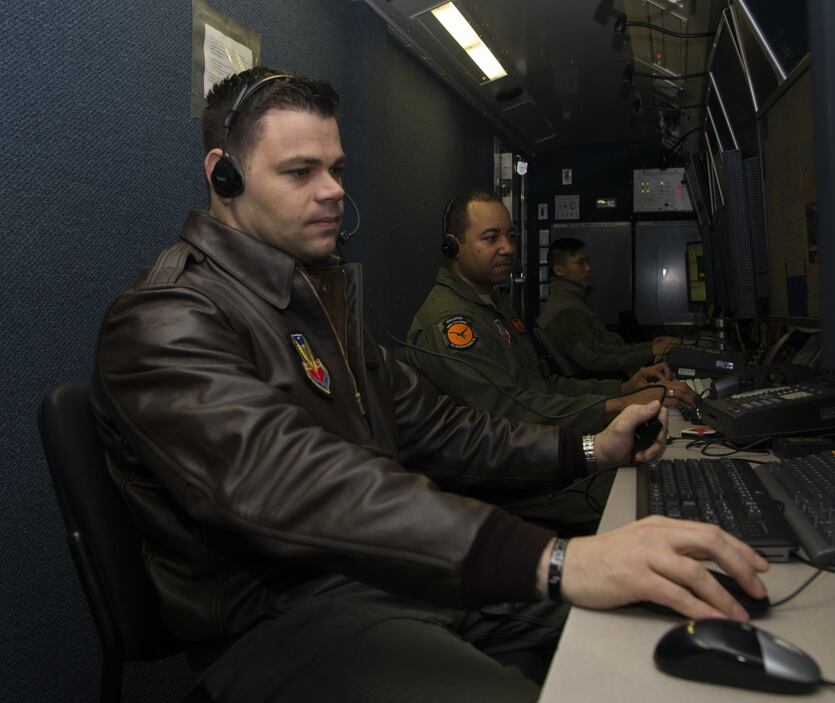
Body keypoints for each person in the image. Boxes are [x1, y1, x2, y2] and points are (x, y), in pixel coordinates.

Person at [90, 67, 768, 703]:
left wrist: (591, 448)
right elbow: (291, 484)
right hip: (281, 618)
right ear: (225, 175)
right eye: (300, 171)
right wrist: (557, 560)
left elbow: (443, 428)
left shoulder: (317, 302)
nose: (332, 190)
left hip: (387, 577)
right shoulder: (164, 319)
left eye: (336, 169)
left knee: (656, 616)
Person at [403, 191, 694, 435]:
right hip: (502, 478)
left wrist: (623, 388)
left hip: (533, 448)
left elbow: (544, 386)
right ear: (453, 246)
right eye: (491, 238)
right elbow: (508, 411)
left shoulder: (493, 306)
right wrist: (619, 404)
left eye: (511, 236)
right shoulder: (449, 324)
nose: (507, 248)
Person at [537, 237, 682, 379]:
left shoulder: (574, 302)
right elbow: (594, 359)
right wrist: (650, 352)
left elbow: (606, 349)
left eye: (587, 261)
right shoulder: (566, 311)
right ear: (559, 270)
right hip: (600, 384)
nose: (588, 268)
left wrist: (651, 347)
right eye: (580, 263)